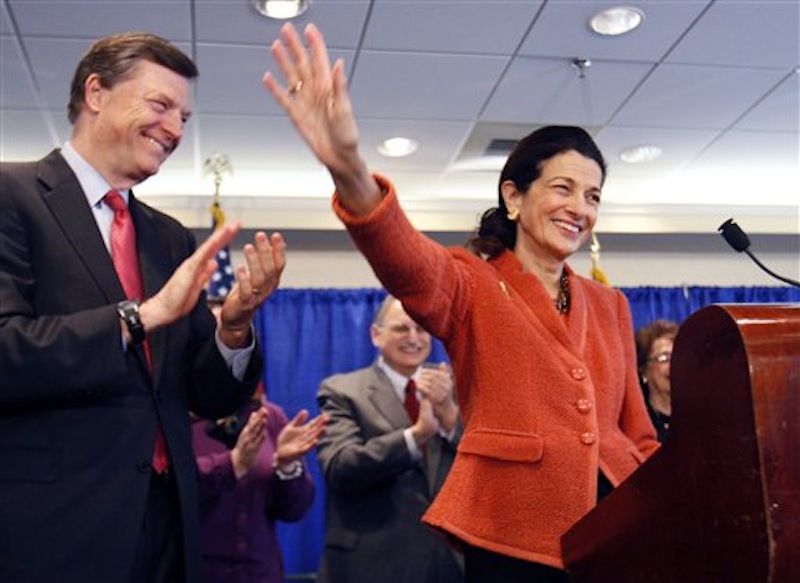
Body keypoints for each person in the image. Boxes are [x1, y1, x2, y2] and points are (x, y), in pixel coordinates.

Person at [263, 23, 659, 581]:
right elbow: (403, 257)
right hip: (511, 534)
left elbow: (637, 433)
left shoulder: (610, 304)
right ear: (514, 197)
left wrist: (661, 507)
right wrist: (347, 165)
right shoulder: (471, 281)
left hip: (611, 534)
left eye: (593, 195)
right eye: (563, 188)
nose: (581, 208)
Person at [0, 32, 287, 582]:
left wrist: (233, 326)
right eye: (160, 105)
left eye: (183, 116)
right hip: (49, 529)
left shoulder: (169, 238)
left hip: (167, 529)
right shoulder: (13, 198)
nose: (177, 130)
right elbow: (8, 349)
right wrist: (142, 316)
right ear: (96, 93)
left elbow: (209, 394)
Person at [314, 295, 464, 582]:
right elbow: (339, 468)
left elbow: (483, 472)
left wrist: (449, 423)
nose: (413, 338)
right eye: (401, 329)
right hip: (372, 563)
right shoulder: (343, 391)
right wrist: (414, 436)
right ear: (375, 334)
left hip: (447, 563)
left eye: (421, 330)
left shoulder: (453, 390)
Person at [192, 298, 326, 583]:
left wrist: (288, 467)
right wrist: (232, 464)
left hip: (260, 573)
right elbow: (167, 497)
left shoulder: (268, 416)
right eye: (220, 339)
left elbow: (295, 510)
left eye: (237, 340)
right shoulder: (175, 415)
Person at [635, 319, 679, 442]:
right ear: (643, 370)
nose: (674, 364)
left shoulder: (701, 417)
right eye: (664, 358)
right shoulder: (637, 423)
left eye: (678, 355)